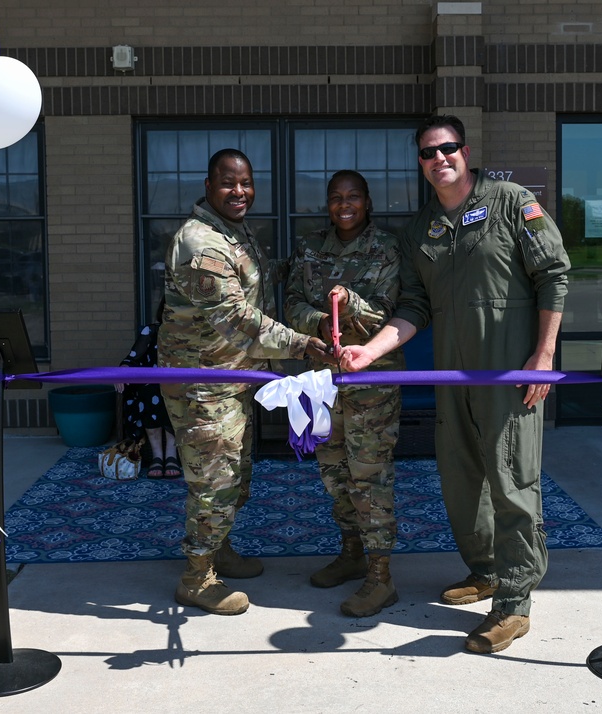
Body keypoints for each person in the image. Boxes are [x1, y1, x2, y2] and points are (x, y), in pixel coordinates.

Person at [340, 115, 570, 654]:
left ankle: (514, 604)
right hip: (453, 377)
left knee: (512, 483)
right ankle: (486, 571)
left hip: (511, 376)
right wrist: (369, 351)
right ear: (420, 163)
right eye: (427, 153)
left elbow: (553, 274)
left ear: (464, 151)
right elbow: (415, 306)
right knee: (462, 483)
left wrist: (544, 354)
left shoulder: (511, 202)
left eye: (447, 148)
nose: (438, 158)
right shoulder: (421, 230)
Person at [158, 148, 331, 616]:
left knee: (235, 475)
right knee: (215, 480)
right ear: (209, 184)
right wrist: (301, 344)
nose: (240, 192)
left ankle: (218, 548)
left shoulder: (231, 232)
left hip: (231, 379)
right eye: (228, 183)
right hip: (202, 385)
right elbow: (235, 318)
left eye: (246, 183)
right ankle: (196, 576)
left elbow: (257, 281)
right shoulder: (201, 245)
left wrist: (309, 262)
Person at [284, 170, 404, 618]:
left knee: (369, 478)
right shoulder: (311, 246)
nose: (344, 204)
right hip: (321, 382)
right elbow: (291, 301)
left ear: (367, 202)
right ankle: (352, 551)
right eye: (336, 197)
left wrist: (349, 302)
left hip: (371, 386)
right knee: (334, 473)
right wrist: (316, 320)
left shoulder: (387, 248)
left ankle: (381, 576)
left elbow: (390, 316)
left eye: (353, 196)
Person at [114, 296, 181, 479]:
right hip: (150, 386)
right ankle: (158, 455)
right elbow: (132, 358)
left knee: (174, 392)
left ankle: (171, 454)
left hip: (180, 386)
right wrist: (123, 370)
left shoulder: (189, 336)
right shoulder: (151, 331)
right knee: (152, 391)